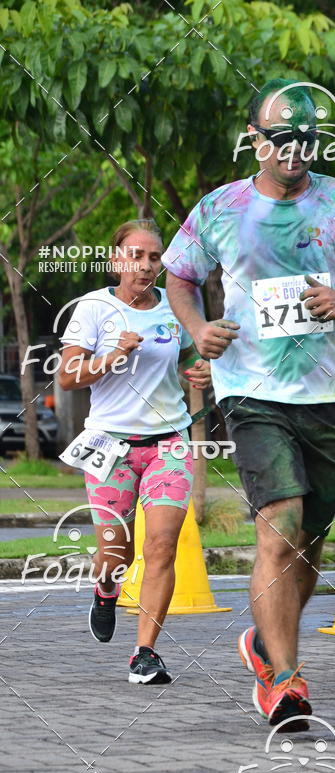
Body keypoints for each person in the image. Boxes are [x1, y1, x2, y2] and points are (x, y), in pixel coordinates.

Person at [163, 79, 335, 728]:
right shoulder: (220, 207)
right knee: (279, 523)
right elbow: (179, 277)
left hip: (328, 394)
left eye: (305, 138)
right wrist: (197, 330)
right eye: (280, 138)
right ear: (254, 139)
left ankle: (267, 646)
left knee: (309, 547)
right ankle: (287, 684)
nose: (294, 149)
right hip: (250, 389)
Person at [59, 219, 210, 684]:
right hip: (111, 445)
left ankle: (145, 652)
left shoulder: (175, 306)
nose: (147, 266)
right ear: (116, 260)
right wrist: (111, 357)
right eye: (137, 256)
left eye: (155, 257)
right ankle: (106, 589)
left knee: (162, 545)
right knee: (116, 554)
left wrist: (199, 371)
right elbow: (67, 377)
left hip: (168, 441)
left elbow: (188, 357)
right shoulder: (94, 308)